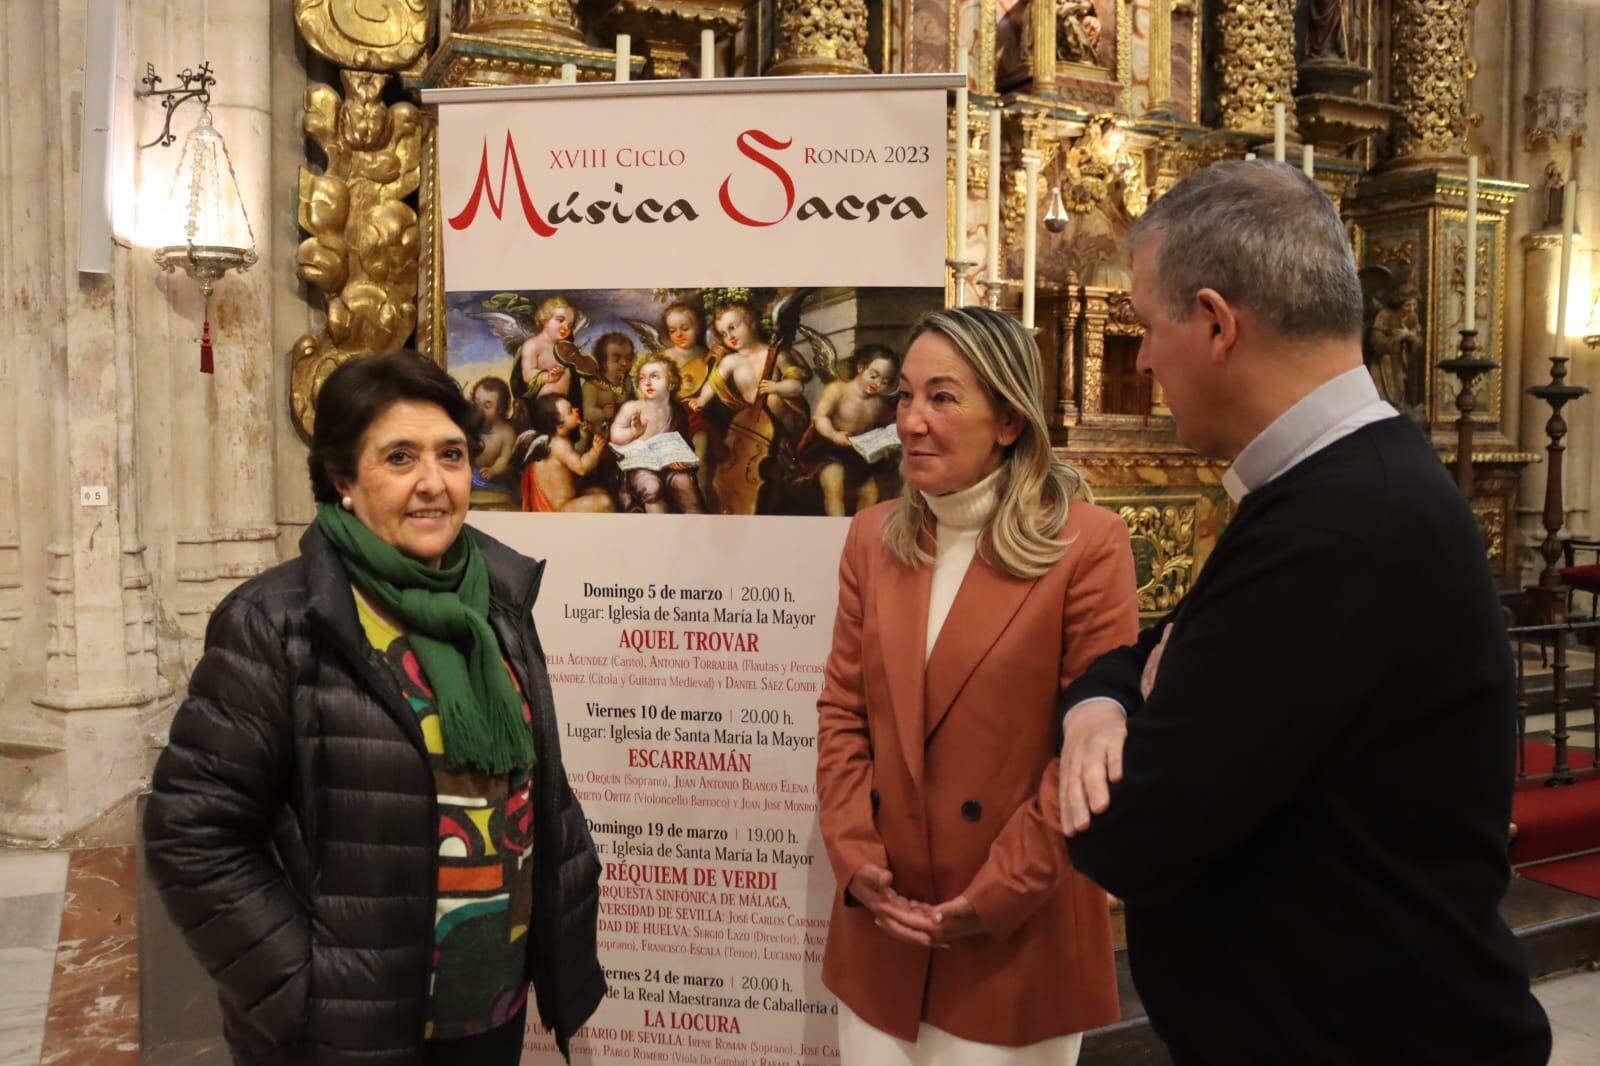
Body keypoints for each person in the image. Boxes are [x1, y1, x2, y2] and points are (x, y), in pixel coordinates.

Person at [1055, 162, 1551, 1065]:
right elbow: (1156, 650)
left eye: (1146, 327)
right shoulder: (1341, 486)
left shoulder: (1342, 524)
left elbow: (1132, 837)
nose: (1142, 361)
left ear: (1214, 323)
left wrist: (1131, 708)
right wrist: (1104, 699)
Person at [144, 351, 606, 1066]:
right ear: (343, 480)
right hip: (349, 1034)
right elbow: (192, 832)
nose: (433, 483)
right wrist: (308, 994)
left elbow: (536, 782)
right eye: (400, 457)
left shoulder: (499, 602)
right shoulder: (277, 623)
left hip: (488, 1010)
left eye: (451, 455)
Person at [816, 307, 1138, 1065]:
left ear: (1009, 420)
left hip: (1013, 929)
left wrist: (997, 893)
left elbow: (1087, 750)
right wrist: (855, 855)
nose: (911, 422)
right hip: (884, 921)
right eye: (903, 397)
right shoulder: (874, 536)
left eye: (942, 397)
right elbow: (843, 711)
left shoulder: (1087, 544)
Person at [799, 345, 901, 517]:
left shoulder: (879, 404)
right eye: (874, 375)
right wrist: (833, 434)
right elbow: (820, 417)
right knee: (834, 485)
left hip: (856, 454)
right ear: (861, 368)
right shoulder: (838, 389)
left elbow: (882, 428)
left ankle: (857, 532)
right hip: (828, 449)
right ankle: (836, 533)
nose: (877, 383)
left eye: (885, 381)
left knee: (870, 494)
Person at [609, 352, 706, 514]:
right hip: (638, 468)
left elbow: (681, 443)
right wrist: (633, 433)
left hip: (668, 467)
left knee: (685, 483)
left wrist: (681, 460)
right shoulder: (633, 407)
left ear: (671, 384)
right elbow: (615, 436)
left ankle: (699, 529)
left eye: (655, 376)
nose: (647, 382)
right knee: (652, 487)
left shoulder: (677, 412)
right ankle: (659, 532)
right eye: (642, 378)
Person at [526, 394, 615, 513]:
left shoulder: (554, 441)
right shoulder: (560, 444)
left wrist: (583, 438)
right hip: (560, 509)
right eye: (570, 411)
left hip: (566, 502)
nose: (576, 410)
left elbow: (571, 458)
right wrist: (595, 450)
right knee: (605, 502)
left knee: (599, 491)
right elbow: (582, 468)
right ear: (559, 425)